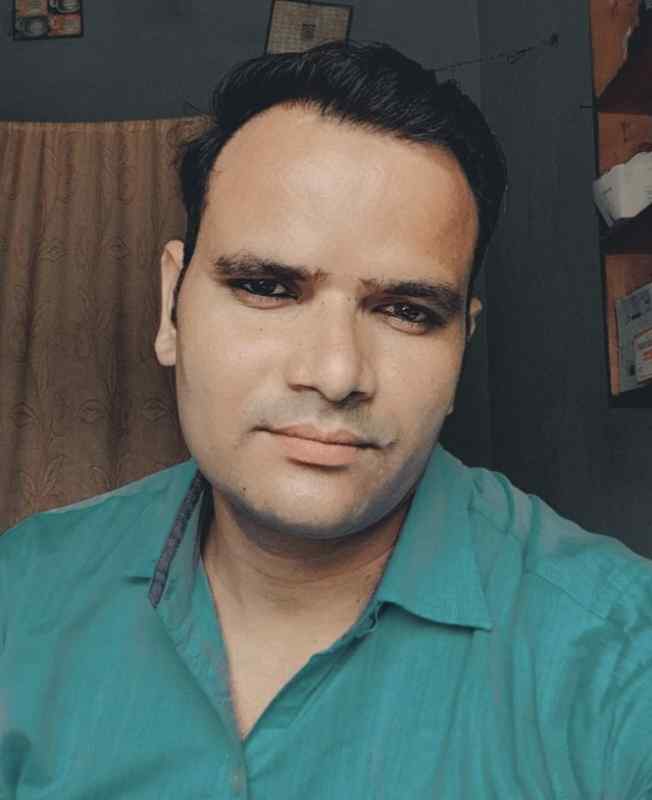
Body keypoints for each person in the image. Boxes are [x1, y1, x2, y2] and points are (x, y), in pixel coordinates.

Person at [1, 39, 651, 800]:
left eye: (407, 311)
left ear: (461, 346)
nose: (337, 373)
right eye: (267, 287)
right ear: (171, 306)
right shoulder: (24, 592)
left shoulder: (619, 658)